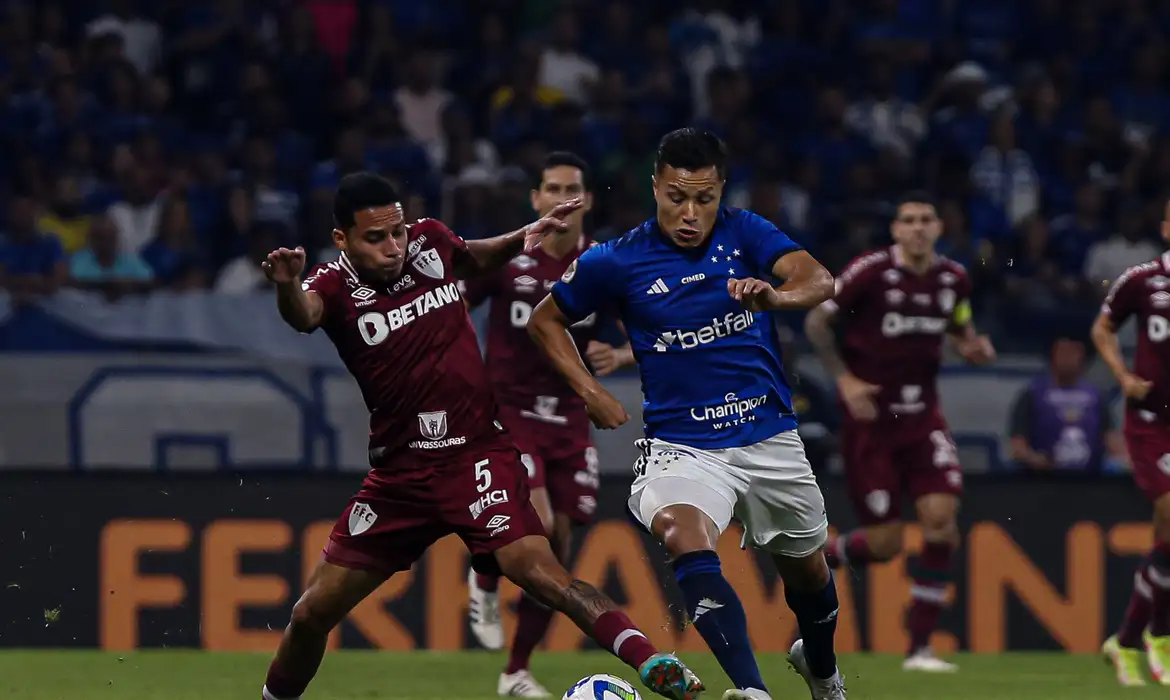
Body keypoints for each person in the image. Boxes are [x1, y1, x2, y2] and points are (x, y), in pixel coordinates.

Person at [258, 172, 703, 700]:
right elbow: (303, 314)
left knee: (543, 573)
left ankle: (650, 661)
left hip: (476, 458)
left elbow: (472, 256)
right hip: (399, 477)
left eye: (397, 231)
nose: (394, 247)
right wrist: (287, 284)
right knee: (310, 614)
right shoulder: (331, 285)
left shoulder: (429, 241)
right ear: (342, 239)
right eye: (375, 238)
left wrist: (521, 238)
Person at [528, 128, 845, 700]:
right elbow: (544, 320)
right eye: (677, 197)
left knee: (809, 573)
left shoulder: (745, 232)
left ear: (722, 191)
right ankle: (752, 692)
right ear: (655, 187)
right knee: (681, 534)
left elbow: (818, 279)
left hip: (768, 436)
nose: (691, 214)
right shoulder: (617, 259)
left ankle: (822, 671)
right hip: (684, 446)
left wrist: (776, 297)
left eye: (705, 198)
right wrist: (588, 389)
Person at [803, 191, 996, 673]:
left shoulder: (954, 279)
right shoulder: (869, 272)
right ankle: (826, 553)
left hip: (923, 418)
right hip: (871, 423)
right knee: (885, 544)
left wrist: (971, 347)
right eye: (908, 220)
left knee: (941, 522)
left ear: (939, 227)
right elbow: (816, 322)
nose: (917, 228)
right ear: (895, 229)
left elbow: (959, 326)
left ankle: (921, 649)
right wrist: (844, 380)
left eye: (926, 219)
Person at [463, 152, 632, 698]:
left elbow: (651, 328)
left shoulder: (601, 265)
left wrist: (619, 355)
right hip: (508, 411)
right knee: (534, 520)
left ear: (588, 200)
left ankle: (515, 671)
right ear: (536, 199)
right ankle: (484, 577)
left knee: (558, 544)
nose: (562, 199)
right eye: (552, 189)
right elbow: (452, 305)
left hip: (569, 417)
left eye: (571, 189)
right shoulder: (511, 256)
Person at [1094, 200, 1170, 687]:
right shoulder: (1142, 280)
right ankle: (1157, 637)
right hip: (1151, 424)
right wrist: (1122, 376)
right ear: (1165, 228)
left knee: (1167, 541)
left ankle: (1126, 641)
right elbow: (1101, 328)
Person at [1007, 335, 1125, 472]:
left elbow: (1113, 441)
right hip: (1043, 477)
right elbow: (1018, 447)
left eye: (1074, 352)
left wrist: (1120, 459)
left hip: (1089, 477)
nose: (1069, 358)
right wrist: (1035, 459)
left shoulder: (1096, 397)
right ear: (1053, 356)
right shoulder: (1032, 394)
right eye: (1064, 352)